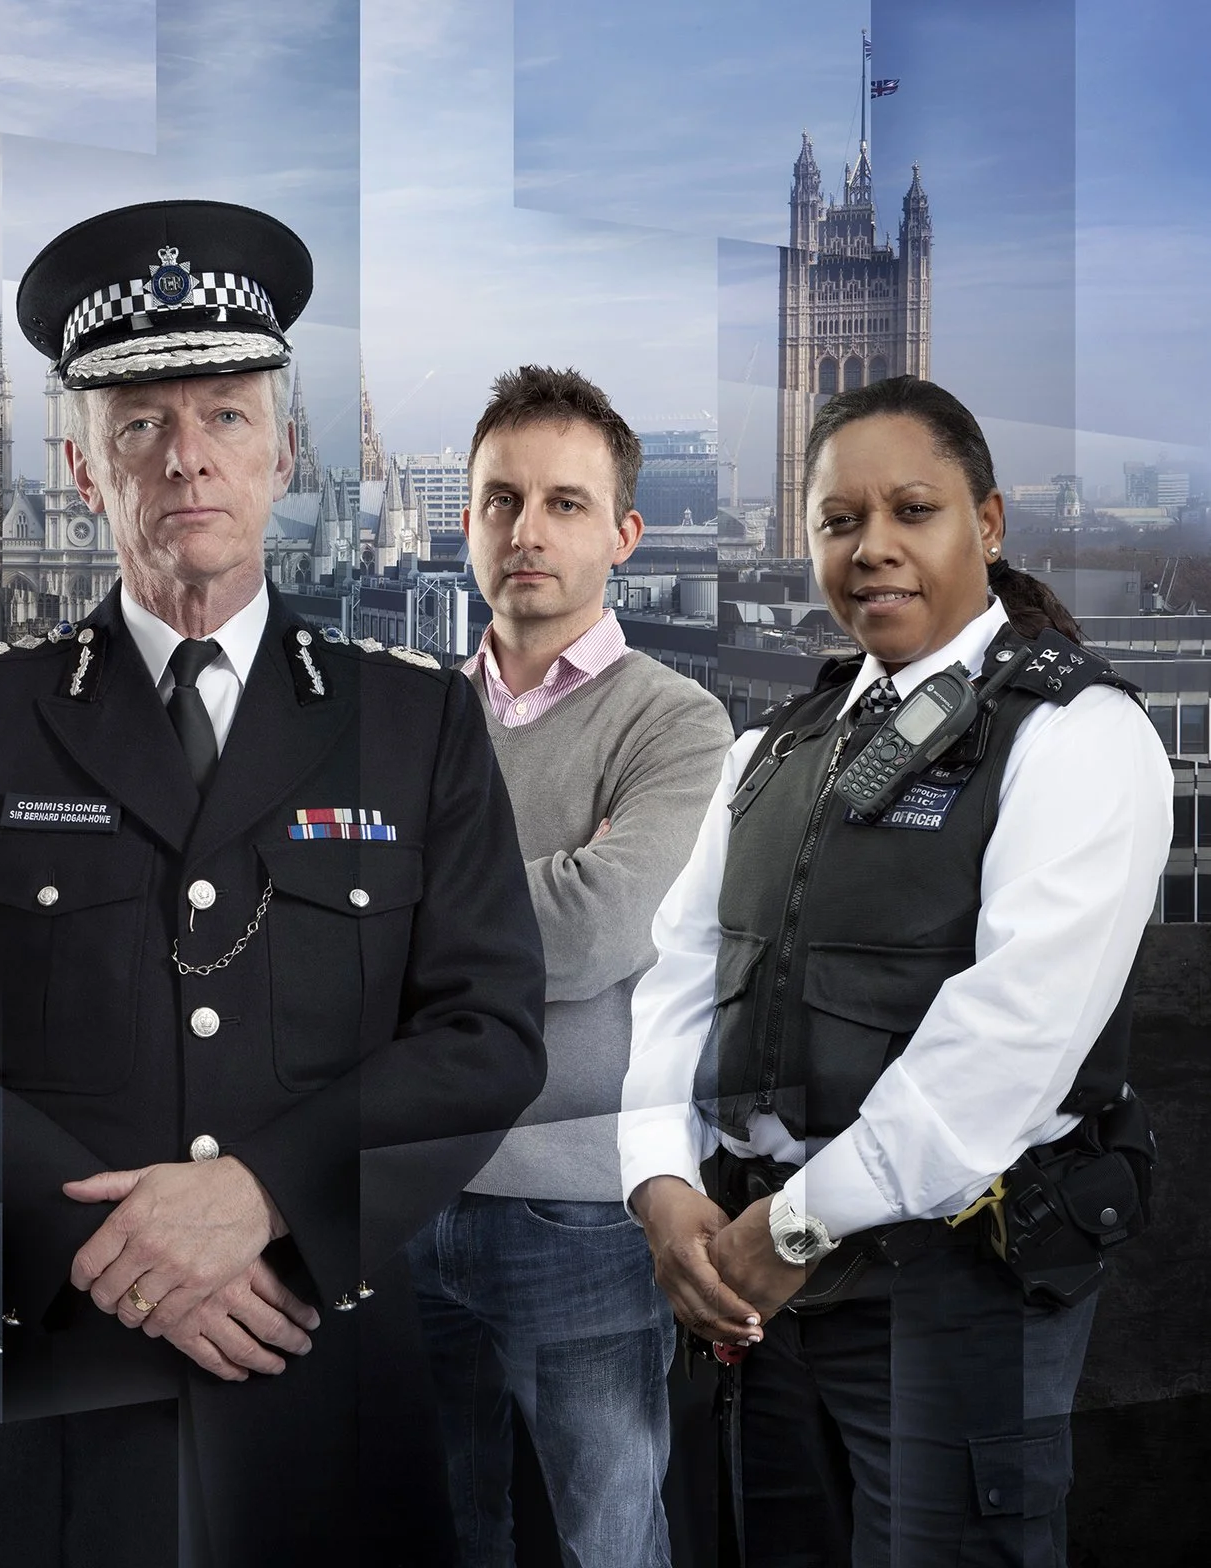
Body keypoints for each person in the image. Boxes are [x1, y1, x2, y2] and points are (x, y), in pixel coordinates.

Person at [0, 200, 550, 1565]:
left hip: (312, 1355)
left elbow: (486, 1029)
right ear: (85, 473)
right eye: (140, 424)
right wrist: (113, 1259)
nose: (186, 457)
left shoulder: (413, 723)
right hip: (48, 1377)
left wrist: (268, 1195)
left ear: (284, 455)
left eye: (224, 414)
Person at [618, 375, 1169, 1566]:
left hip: (947, 1292)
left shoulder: (1076, 734)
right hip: (753, 1290)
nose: (872, 549)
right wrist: (659, 1184)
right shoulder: (771, 748)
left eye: (911, 509)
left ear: (987, 521)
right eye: (836, 521)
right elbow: (674, 973)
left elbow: (1007, 1045)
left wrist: (794, 1229)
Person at [405, 365, 734, 1567]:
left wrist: (409, 896)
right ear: (465, 522)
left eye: (562, 502)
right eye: (499, 499)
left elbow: (601, 927)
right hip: (401, 1188)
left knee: (609, 1540)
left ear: (623, 534)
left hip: (581, 1204)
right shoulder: (407, 715)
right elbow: (321, 930)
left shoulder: (676, 720)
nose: (525, 530)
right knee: (437, 1529)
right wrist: (537, 878)